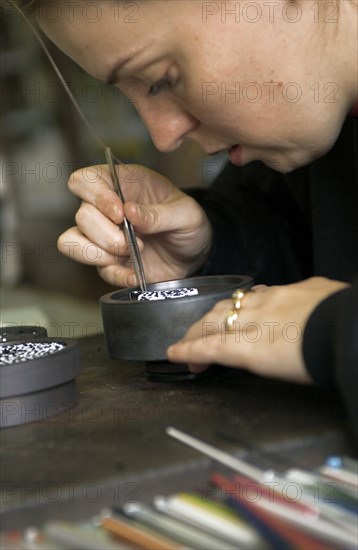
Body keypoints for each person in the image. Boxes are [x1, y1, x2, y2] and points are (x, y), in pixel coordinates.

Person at [12, 1, 358, 436]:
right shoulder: (307, 143)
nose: (165, 134)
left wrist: (332, 331)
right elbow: (305, 233)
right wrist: (217, 240)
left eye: (160, 79)